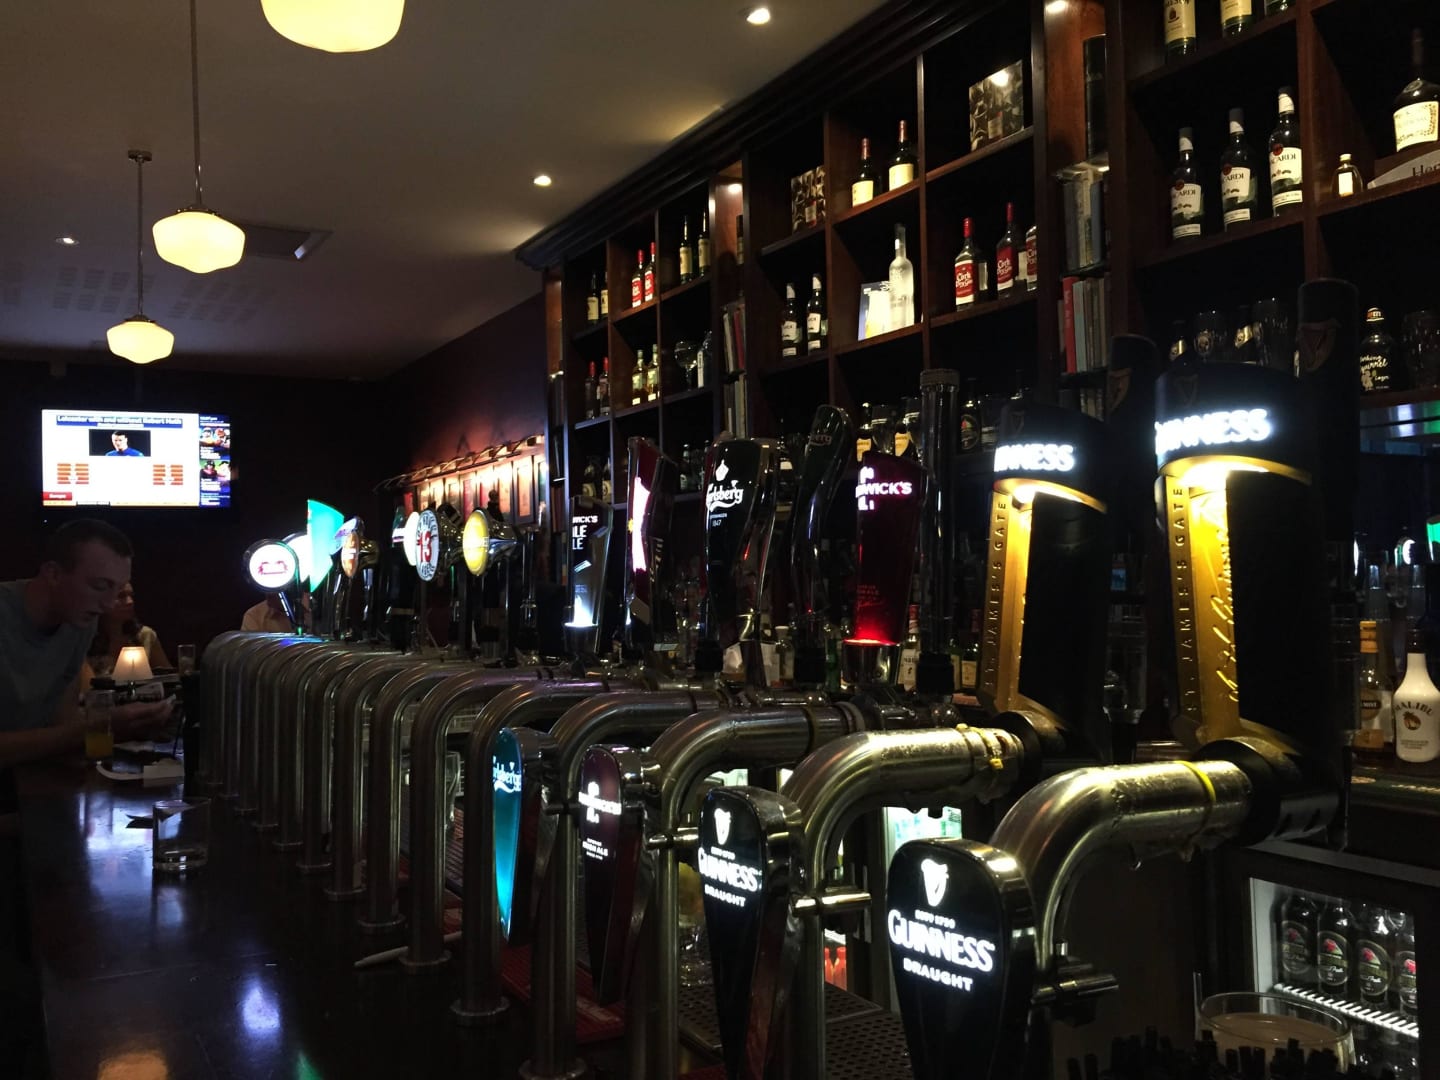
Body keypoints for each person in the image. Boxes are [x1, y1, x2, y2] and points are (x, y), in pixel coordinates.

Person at [0, 520, 172, 769]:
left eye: (117, 589)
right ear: (54, 574)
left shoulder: (80, 621)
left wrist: (122, 727)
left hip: (31, 776)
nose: (108, 604)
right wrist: (99, 726)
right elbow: (69, 734)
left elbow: (63, 725)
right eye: (100, 586)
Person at [84, 581, 172, 686]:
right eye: (121, 596)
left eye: (131, 596)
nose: (130, 602)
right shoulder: (84, 639)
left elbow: (168, 679)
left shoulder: (145, 636)